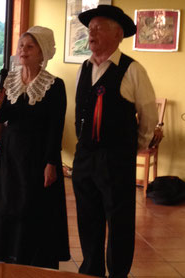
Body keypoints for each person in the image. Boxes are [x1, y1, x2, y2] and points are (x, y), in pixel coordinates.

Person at [72, 5, 159, 278]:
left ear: (117, 34)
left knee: (119, 222)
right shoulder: (83, 68)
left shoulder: (133, 70)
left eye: (99, 27)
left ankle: (118, 273)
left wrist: (131, 148)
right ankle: (92, 269)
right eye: (90, 28)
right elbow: (80, 111)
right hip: (85, 158)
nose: (91, 32)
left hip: (116, 159)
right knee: (88, 219)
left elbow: (148, 117)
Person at [0, 26, 70, 269]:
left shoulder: (54, 85)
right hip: (10, 152)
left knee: (31, 207)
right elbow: (3, 118)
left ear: (42, 52)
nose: (23, 50)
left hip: (38, 155)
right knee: (6, 204)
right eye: (21, 45)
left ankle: (30, 259)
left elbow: (56, 128)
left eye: (29, 46)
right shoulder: (10, 80)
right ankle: (6, 255)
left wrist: (51, 163)